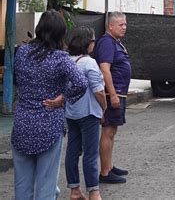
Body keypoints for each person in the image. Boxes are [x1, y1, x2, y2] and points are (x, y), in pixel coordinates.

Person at [11, 10, 87, 200]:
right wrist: (63, 98)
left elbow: (17, 80)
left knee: (22, 184)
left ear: (39, 29)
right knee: (46, 185)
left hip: (22, 123)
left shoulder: (21, 52)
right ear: (61, 33)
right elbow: (81, 83)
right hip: (49, 125)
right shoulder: (60, 58)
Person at [65, 26, 107, 200]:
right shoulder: (89, 62)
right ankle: (94, 192)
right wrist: (103, 108)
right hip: (89, 113)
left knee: (72, 151)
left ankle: (74, 190)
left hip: (71, 113)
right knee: (90, 154)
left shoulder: (67, 60)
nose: (94, 43)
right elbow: (98, 91)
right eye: (92, 40)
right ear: (87, 42)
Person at [94, 11, 131, 184]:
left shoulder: (115, 42)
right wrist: (113, 95)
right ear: (110, 26)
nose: (124, 27)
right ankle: (105, 172)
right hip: (111, 94)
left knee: (112, 131)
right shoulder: (107, 43)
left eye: (125, 24)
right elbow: (104, 69)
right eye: (120, 24)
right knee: (107, 131)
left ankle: (109, 165)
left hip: (118, 92)